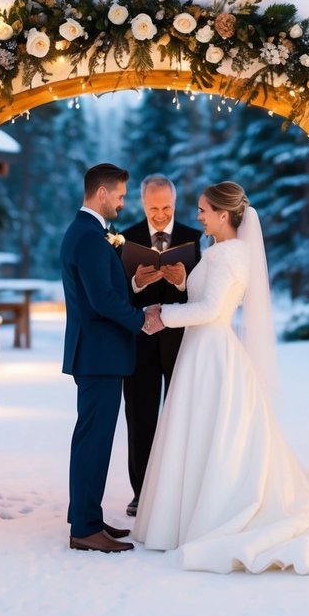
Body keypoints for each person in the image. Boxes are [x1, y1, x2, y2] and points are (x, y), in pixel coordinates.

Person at [134, 181, 309, 574]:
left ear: (223, 215)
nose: (198, 217)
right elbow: (204, 296)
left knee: (213, 436)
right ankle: (184, 515)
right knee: (196, 434)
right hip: (199, 352)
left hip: (212, 352)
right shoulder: (218, 252)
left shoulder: (232, 256)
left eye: (203, 210)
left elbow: (213, 309)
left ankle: (214, 513)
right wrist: (180, 283)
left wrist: (164, 314)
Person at [60, 163, 163, 554]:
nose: (122, 203)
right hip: (98, 354)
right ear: (101, 193)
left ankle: (88, 516)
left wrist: (135, 288)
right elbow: (101, 300)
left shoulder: (90, 233)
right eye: (119, 196)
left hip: (100, 354)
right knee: (93, 440)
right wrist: (141, 321)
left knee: (95, 440)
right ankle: (85, 528)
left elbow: (106, 290)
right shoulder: (88, 237)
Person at [122, 175, 202, 516]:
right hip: (140, 343)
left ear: (175, 203)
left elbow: (203, 292)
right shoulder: (126, 238)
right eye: (153, 207)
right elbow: (117, 294)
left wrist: (182, 280)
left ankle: (177, 490)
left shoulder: (194, 238)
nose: (159, 214)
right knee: (140, 419)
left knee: (180, 417)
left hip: (180, 343)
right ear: (143, 204)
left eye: (166, 207)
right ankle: (141, 492)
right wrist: (136, 284)